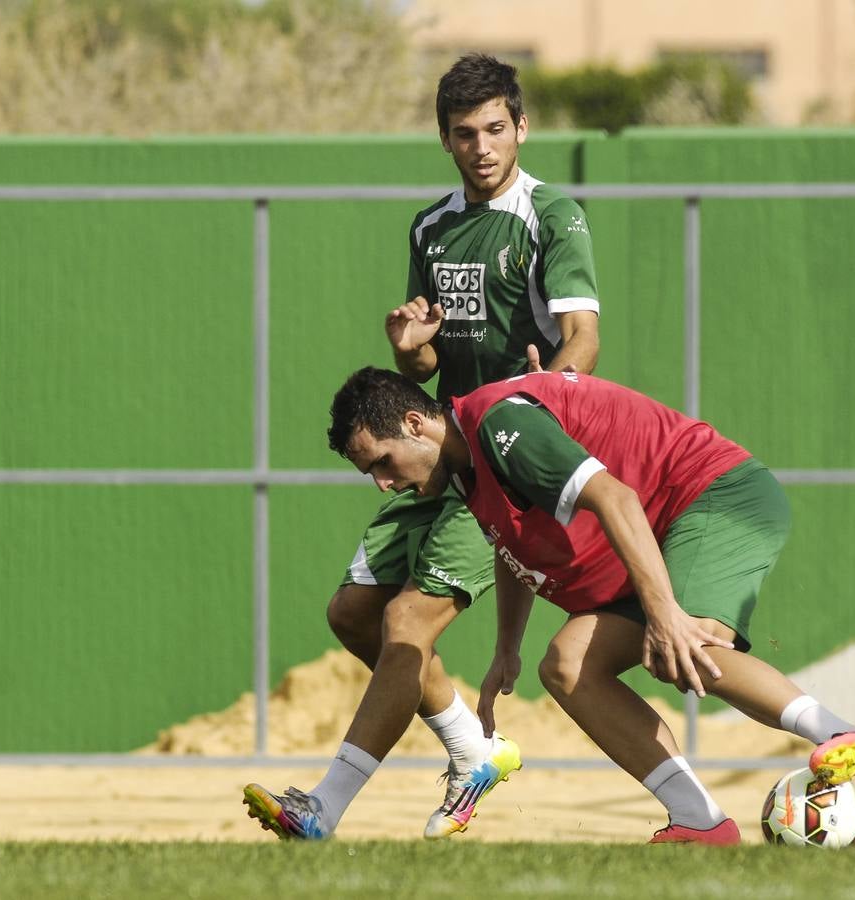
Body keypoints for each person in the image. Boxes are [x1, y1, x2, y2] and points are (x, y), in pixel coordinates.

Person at [243, 54, 601, 841]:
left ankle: (322, 810)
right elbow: (427, 364)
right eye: (465, 133)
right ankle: (472, 751)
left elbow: (582, 334)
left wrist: (546, 394)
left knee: (408, 621)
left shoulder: (552, 213)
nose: (482, 146)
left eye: (496, 129)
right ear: (444, 138)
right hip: (439, 448)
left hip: (502, 459)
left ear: (521, 128)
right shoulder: (432, 226)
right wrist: (411, 351)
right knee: (354, 614)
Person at [323, 366, 855, 845]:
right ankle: (700, 822)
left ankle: (841, 734)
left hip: (713, 494)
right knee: (568, 666)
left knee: (686, 639)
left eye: (381, 463)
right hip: (657, 534)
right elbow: (512, 546)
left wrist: (664, 614)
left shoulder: (500, 425)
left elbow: (616, 498)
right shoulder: (465, 470)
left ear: (414, 422)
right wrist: (507, 648)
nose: (381, 483)